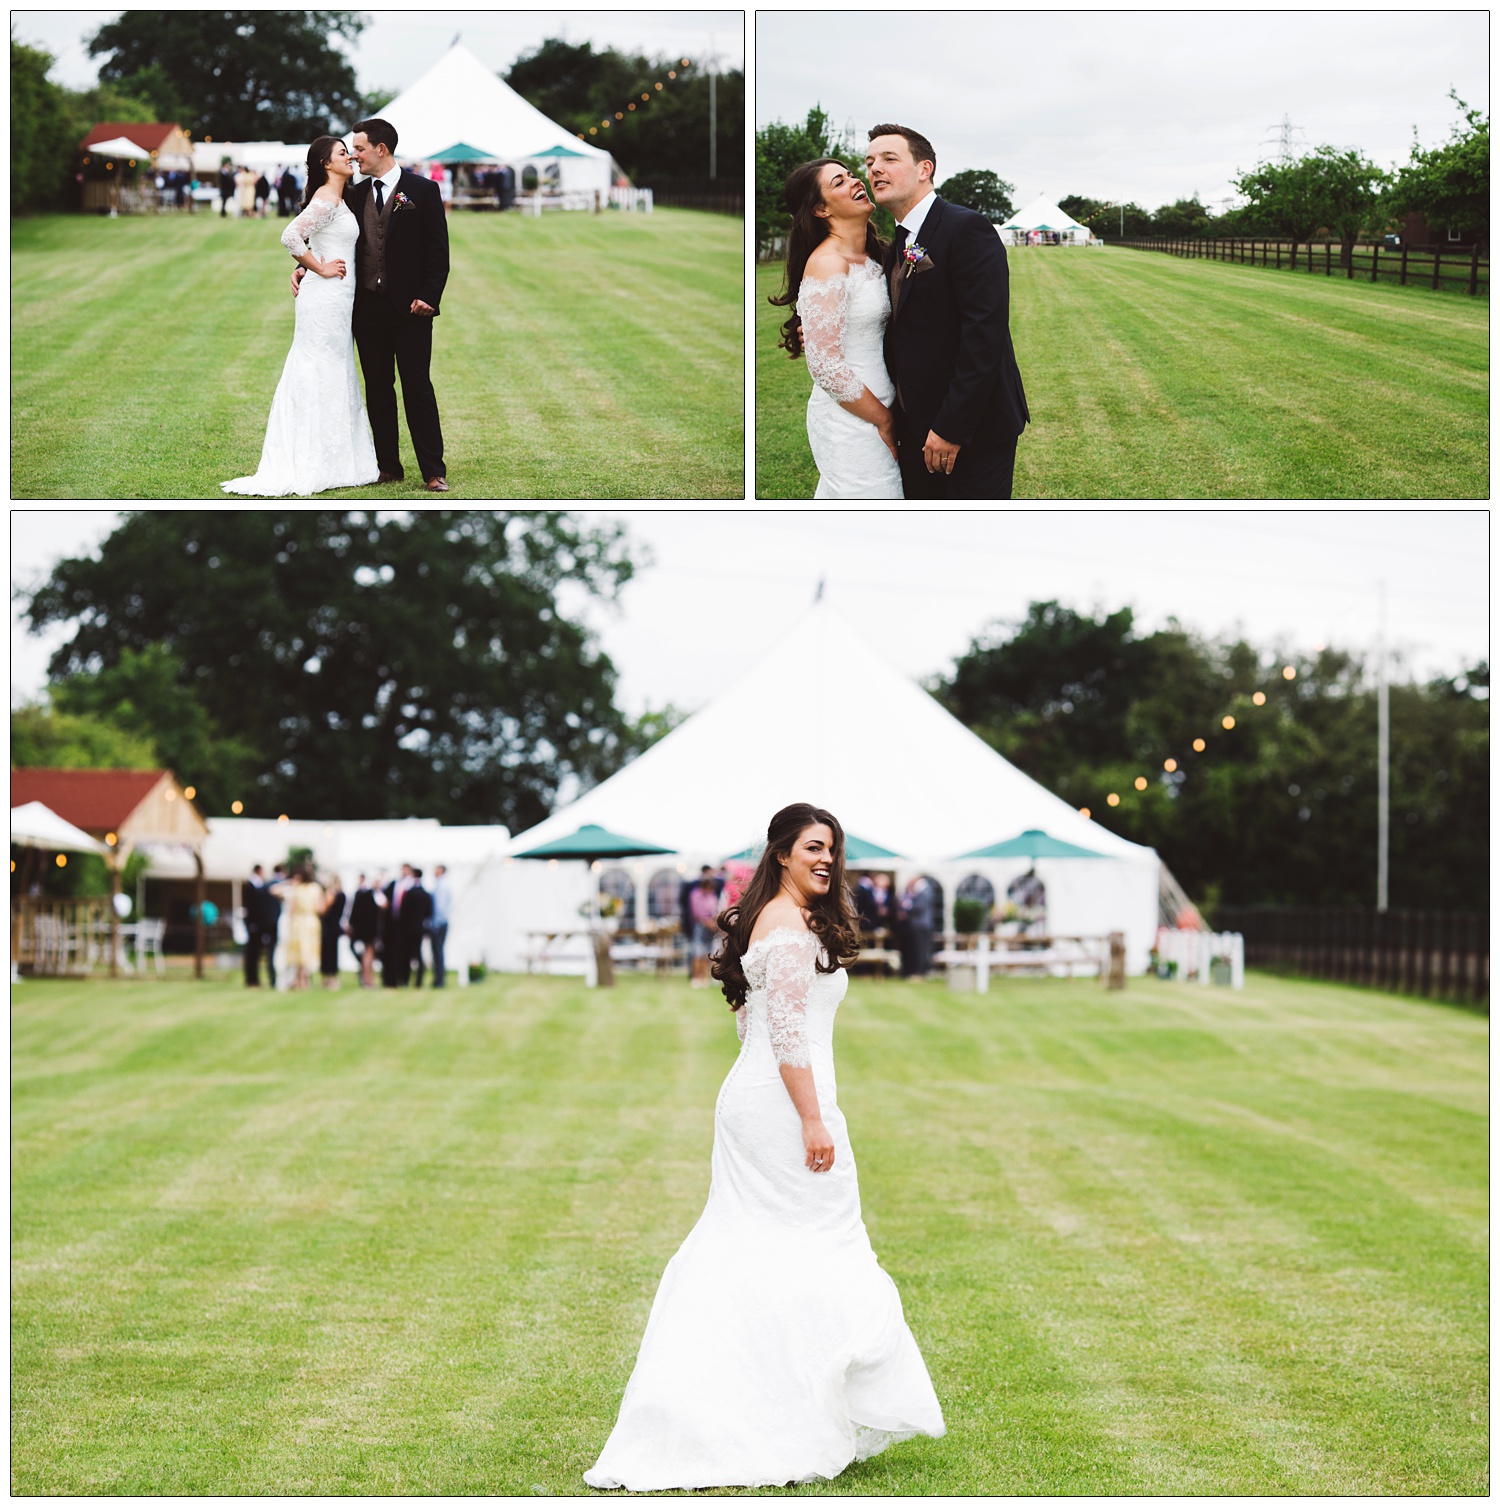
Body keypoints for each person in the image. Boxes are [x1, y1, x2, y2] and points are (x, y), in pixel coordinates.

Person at [585, 803, 944, 1490]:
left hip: (764, 1099)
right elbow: (784, 1035)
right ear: (782, 852)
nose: (825, 859)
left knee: (774, 1245)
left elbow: (748, 1012)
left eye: (832, 849)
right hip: (782, 1106)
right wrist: (813, 1119)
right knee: (810, 1239)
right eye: (813, 846)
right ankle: (760, 1412)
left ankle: (785, 1402)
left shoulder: (774, 919)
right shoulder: (782, 924)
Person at [866, 124, 1029, 500]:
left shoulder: (966, 227)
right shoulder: (898, 243)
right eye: (870, 161)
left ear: (925, 169)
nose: (875, 168)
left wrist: (951, 429)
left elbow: (984, 335)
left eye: (889, 158)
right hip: (915, 427)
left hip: (972, 430)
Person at [290, 117, 451, 492]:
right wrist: (307, 269)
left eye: (359, 148)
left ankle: (433, 470)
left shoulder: (423, 190)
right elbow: (328, 235)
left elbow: (438, 252)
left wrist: (429, 296)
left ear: (381, 149)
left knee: (417, 387)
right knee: (378, 389)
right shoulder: (354, 194)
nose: (355, 155)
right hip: (366, 309)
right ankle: (388, 466)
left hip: (411, 308)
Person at [222, 136, 380, 497]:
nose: (350, 157)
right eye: (343, 153)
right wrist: (316, 267)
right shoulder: (325, 198)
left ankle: (339, 458)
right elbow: (290, 236)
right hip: (324, 298)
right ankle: (311, 458)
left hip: (340, 298)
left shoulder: (341, 197)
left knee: (335, 365)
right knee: (317, 366)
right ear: (326, 164)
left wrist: (310, 266)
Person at [769, 159, 901, 499]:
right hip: (854, 418)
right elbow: (825, 365)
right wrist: (884, 420)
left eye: (851, 175)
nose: (856, 181)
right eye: (839, 182)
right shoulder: (828, 262)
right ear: (820, 210)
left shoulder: (877, 256)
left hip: (885, 402)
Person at [278, 864, 325, 990]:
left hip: (298, 921)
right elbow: (320, 909)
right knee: (308, 950)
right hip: (311, 921)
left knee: (298, 951)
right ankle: (304, 979)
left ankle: (300, 979)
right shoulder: (316, 888)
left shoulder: (296, 889)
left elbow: (292, 909)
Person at [243, 864, 279, 987]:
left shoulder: (259, 885)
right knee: (251, 952)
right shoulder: (250, 885)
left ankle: (254, 979)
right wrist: (253, 923)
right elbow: (251, 907)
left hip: (259, 923)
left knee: (256, 952)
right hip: (254, 924)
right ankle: (251, 979)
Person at [687, 871, 721, 987]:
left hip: (711, 928)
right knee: (698, 953)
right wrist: (707, 922)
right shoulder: (695, 895)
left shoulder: (712, 896)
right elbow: (697, 913)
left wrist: (714, 922)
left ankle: (704, 977)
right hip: (700, 926)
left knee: (708, 953)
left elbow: (715, 909)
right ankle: (696, 978)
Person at [348, 872, 381, 987]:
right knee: (369, 953)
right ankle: (368, 979)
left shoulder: (361, 894)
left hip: (363, 929)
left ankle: (366, 978)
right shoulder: (372, 895)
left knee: (367, 953)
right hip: (370, 929)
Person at [319, 872, 347, 988]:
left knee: (328, 953)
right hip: (336, 926)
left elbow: (323, 910)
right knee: (333, 952)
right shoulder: (343, 895)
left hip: (329, 927)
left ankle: (329, 979)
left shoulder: (331, 894)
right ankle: (331, 978)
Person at [427, 863, 453, 988]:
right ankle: (438, 978)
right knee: (437, 952)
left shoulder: (442, 886)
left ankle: (440, 979)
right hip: (441, 922)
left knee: (438, 952)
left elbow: (440, 908)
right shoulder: (440, 885)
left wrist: (434, 924)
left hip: (439, 923)